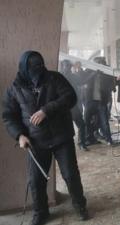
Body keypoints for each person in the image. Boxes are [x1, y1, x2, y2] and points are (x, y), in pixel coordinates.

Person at [2, 51, 89, 225]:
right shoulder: (14, 88)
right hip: (35, 141)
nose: (38, 70)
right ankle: (41, 212)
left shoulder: (54, 78)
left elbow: (70, 97)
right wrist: (19, 135)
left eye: (40, 65)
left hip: (61, 136)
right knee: (36, 180)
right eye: (34, 67)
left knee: (70, 175)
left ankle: (80, 205)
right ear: (24, 68)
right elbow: (9, 116)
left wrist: (46, 110)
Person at [60, 59, 88, 150]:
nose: (68, 68)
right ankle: (66, 147)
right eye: (66, 66)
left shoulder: (73, 76)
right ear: (62, 67)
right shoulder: (58, 77)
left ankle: (81, 143)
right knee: (65, 128)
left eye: (69, 66)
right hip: (62, 107)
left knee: (81, 125)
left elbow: (83, 81)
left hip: (73, 106)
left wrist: (81, 70)